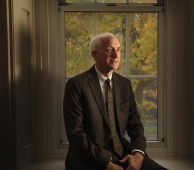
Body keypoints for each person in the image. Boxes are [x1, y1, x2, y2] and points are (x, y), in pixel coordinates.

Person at [63, 33, 168, 170]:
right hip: (89, 159)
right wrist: (107, 165)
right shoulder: (76, 85)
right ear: (95, 55)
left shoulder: (124, 84)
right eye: (109, 49)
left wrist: (138, 154)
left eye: (118, 49)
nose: (116, 55)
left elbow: (135, 125)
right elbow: (76, 135)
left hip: (123, 153)